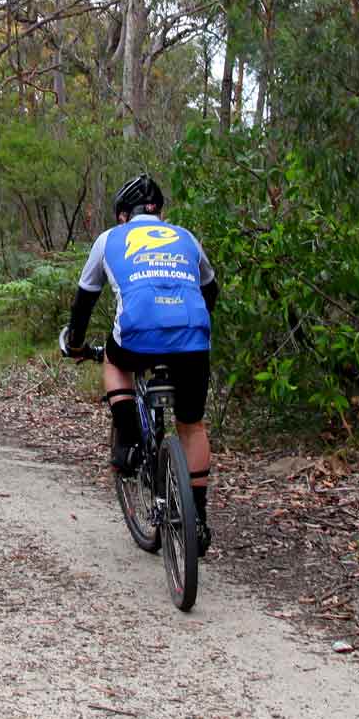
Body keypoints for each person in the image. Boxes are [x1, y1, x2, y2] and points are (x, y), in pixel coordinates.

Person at [58, 172, 219, 554]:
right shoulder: (186, 237)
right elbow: (211, 290)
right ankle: (197, 522)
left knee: (114, 362)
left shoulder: (109, 239)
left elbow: (85, 301)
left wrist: (76, 344)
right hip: (192, 335)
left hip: (137, 335)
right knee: (192, 425)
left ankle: (128, 441)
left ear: (121, 216)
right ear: (161, 213)